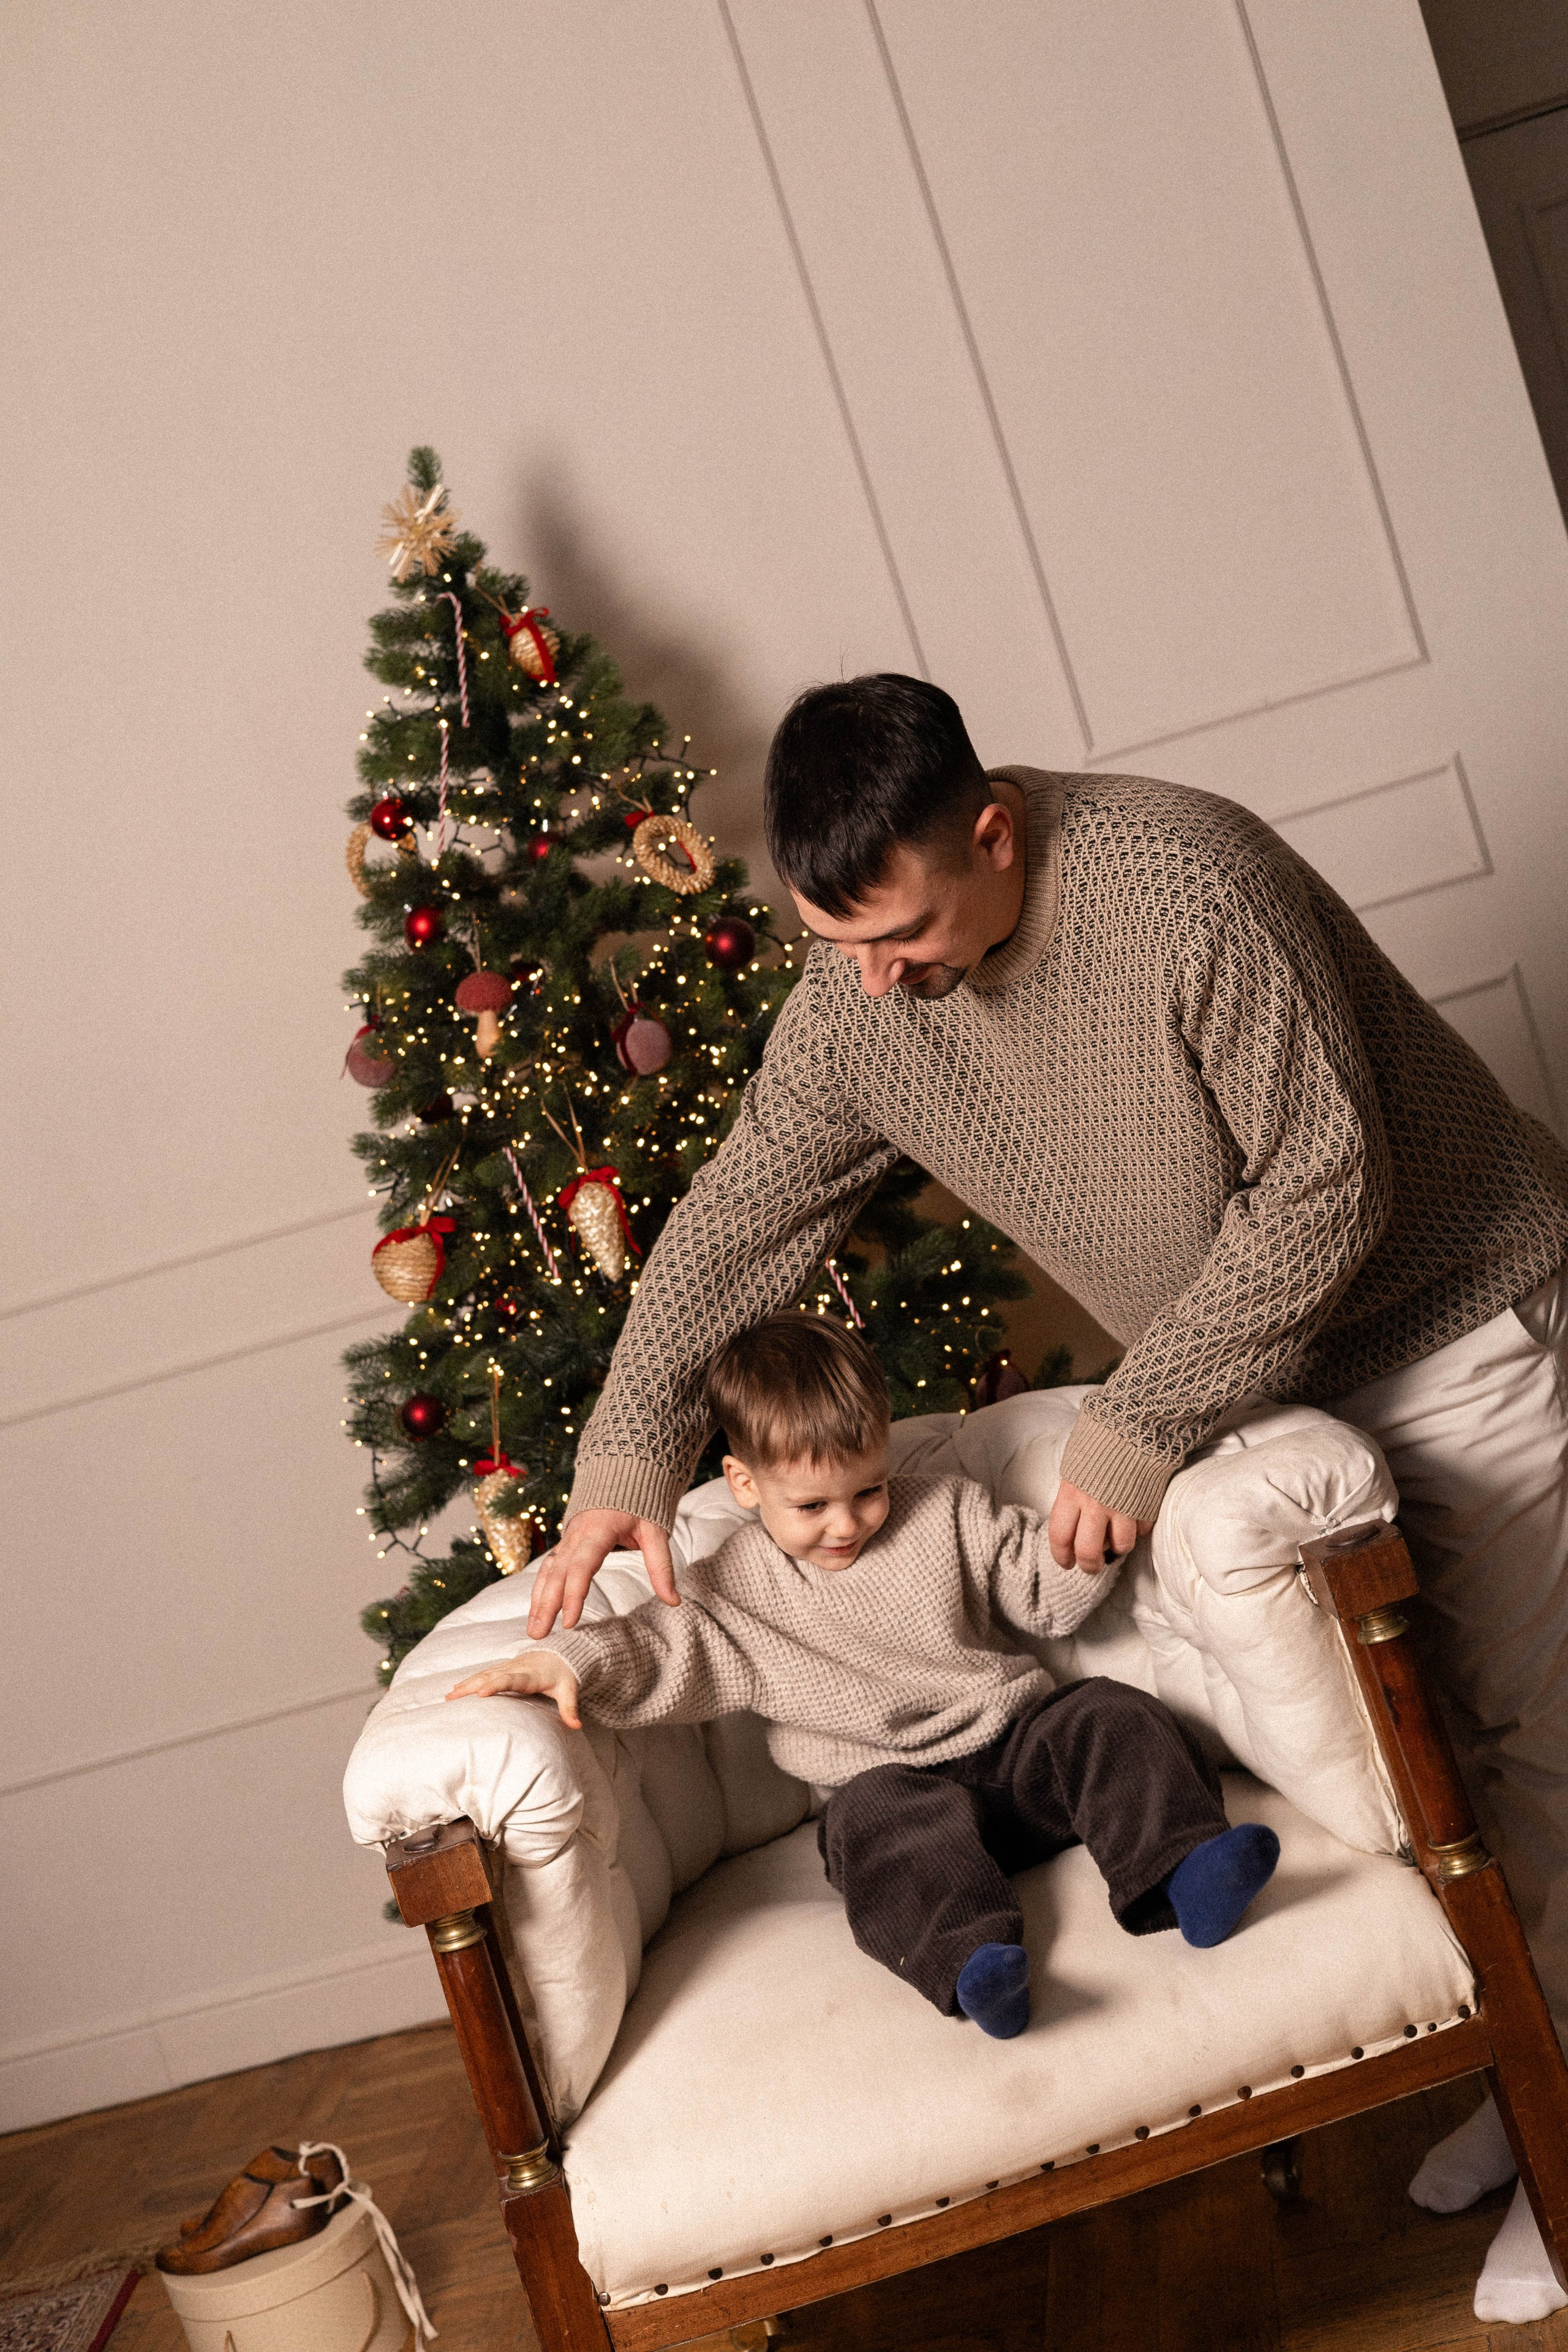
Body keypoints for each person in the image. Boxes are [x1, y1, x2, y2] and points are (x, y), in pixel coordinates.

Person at [529, 676, 1568, 2321]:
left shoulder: (1186, 885)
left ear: (995, 834)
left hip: (1450, 1322)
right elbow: (741, 1221)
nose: (871, 977)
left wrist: (1144, 1416)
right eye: (835, 939)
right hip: (1263, 1384)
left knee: (1533, 1732)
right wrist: (624, 1458)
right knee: (1419, 1745)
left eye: (899, 929)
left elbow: (1325, 1179)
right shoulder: (862, 988)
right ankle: (1544, 2091)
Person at [451, 1315, 1281, 2035]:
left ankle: (1183, 1870)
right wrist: (563, 1661)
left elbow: (1044, 1592)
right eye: (813, 1506)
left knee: (1109, 1713)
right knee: (881, 1829)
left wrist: (1095, 1532)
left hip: (1014, 1752)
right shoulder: (734, 1587)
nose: (848, 1523)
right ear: (743, 1483)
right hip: (887, 1788)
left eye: (869, 1490)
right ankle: (974, 1966)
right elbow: (654, 1645)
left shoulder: (944, 1511)